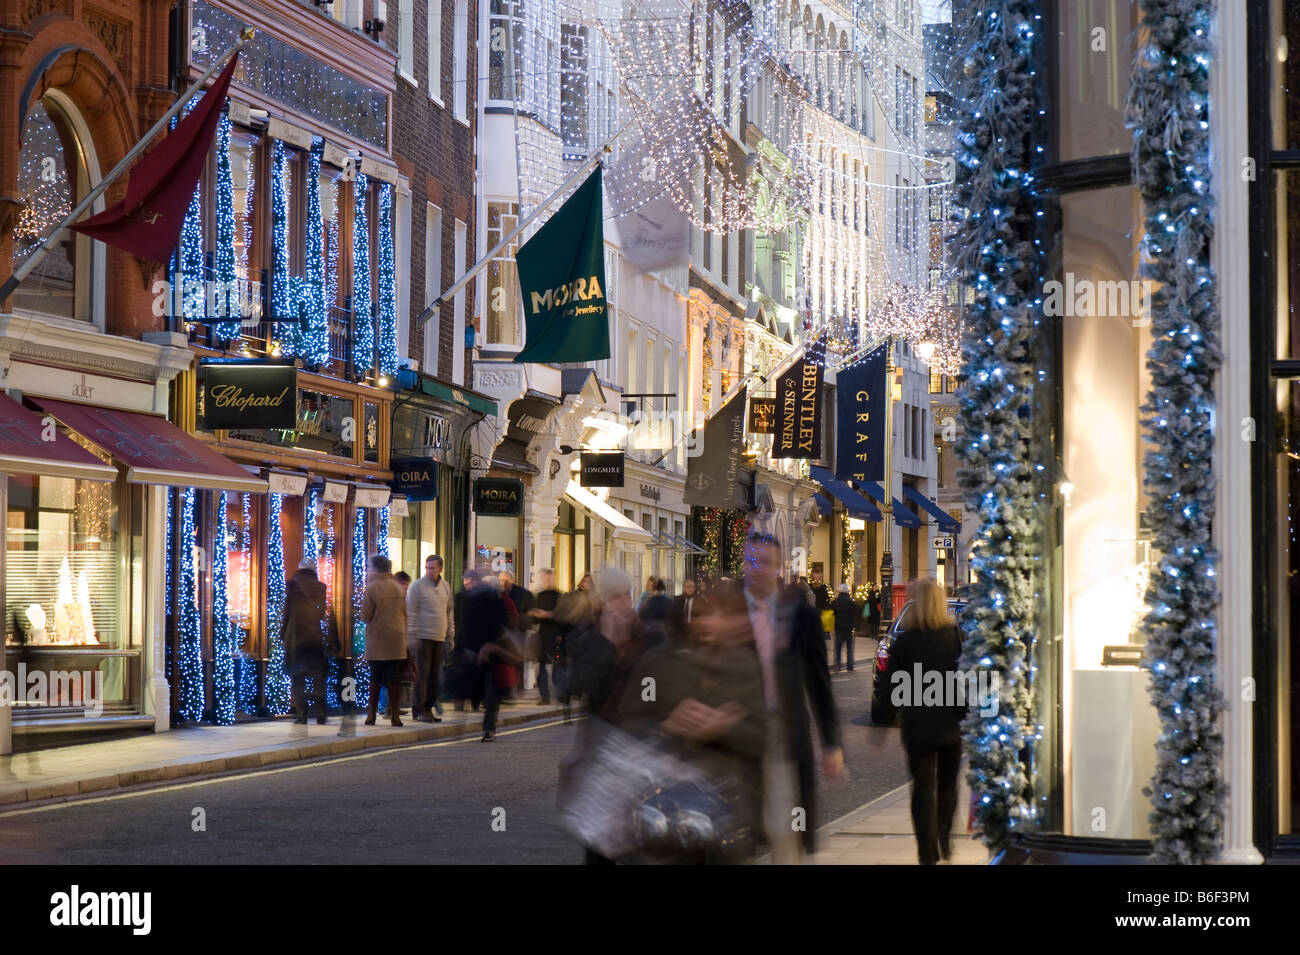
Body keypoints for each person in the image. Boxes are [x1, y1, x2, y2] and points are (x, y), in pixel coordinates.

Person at [616, 584, 767, 864]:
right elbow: (629, 724)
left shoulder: (744, 666)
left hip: (729, 819)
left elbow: (765, 735)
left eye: (713, 614)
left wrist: (725, 726)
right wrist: (667, 728)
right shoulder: (656, 664)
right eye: (697, 614)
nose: (705, 622)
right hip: (667, 815)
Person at [742, 533, 844, 861]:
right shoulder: (726, 610)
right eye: (753, 561)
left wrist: (831, 742)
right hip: (734, 734)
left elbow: (818, 682)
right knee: (736, 828)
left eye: (766, 562)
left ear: (778, 567)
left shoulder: (801, 616)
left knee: (785, 827)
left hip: (781, 733)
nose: (759, 570)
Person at [885, 579, 964, 865]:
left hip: (917, 727)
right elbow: (964, 678)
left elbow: (893, 687)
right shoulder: (954, 636)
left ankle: (926, 851)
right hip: (949, 725)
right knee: (947, 784)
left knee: (922, 788)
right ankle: (944, 833)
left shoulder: (905, 640)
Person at [457, 570, 511, 741]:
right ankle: (489, 728)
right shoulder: (495, 600)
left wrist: (460, 649)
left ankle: (462, 725)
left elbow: (461, 626)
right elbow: (503, 624)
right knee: (490, 693)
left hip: (472, 650)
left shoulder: (464, 599)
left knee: (471, 687)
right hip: (489, 651)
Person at [283, 557, 335, 725]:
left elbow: (287, 612)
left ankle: (301, 715)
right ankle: (321, 713)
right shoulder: (321, 587)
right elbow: (321, 614)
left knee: (298, 677)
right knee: (318, 677)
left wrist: (283, 633)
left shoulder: (292, 585)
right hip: (314, 636)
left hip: (296, 637)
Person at [360, 555, 407, 727]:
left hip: (378, 639)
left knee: (375, 677)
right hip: (397, 638)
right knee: (394, 678)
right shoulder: (397, 587)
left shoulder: (372, 588)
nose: (367, 570)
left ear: (375, 569)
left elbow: (365, 616)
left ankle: (371, 715)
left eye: (369, 567)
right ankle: (395, 715)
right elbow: (405, 613)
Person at [407, 555, 452, 722]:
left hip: (439, 636)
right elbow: (410, 612)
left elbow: (449, 613)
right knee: (422, 675)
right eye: (427, 567)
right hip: (422, 636)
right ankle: (418, 709)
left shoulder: (445, 587)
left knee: (434, 676)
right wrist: (411, 636)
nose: (429, 571)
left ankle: (428, 708)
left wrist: (450, 636)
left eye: (432, 568)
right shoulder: (417, 586)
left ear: (440, 568)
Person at [531, 569, 563, 704]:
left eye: (549, 578)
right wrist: (535, 614)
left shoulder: (559, 596)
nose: (546, 581)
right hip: (542, 635)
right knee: (541, 665)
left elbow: (562, 615)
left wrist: (549, 615)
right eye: (544, 578)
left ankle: (560, 693)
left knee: (557, 665)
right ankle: (544, 696)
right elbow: (533, 614)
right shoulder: (538, 596)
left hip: (556, 634)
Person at [637, 576, 673, 647]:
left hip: (653, 632)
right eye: (648, 584)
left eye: (650, 585)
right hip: (659, 633)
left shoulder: (650, 601)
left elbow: (640, 613)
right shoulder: (644, 596)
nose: (647, 586)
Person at [831, 583, 858, 672]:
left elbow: (831, 612)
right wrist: (854, 625)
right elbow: (855, 615)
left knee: (838, 648)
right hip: (849, 628)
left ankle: (838, 666)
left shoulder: (835, 602)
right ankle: (850, 666)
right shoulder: (851, 602)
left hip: (838, 627)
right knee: (849, 648)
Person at [670, 577, 704, 645]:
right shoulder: (677, 600)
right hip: (679, 632)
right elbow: (672, 617)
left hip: (694, 632)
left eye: (692, 587)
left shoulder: (700, 601)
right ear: (684, 588)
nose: (690, 589)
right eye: (688, 587)